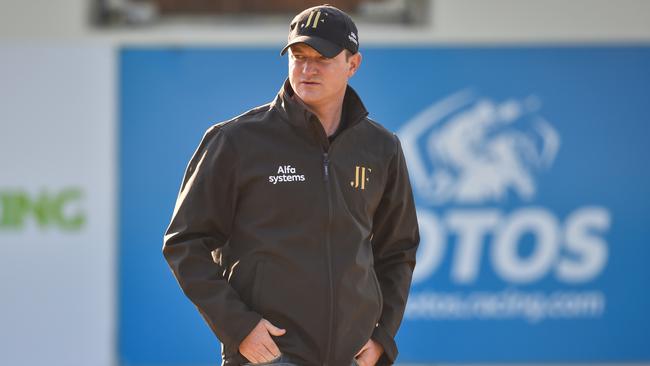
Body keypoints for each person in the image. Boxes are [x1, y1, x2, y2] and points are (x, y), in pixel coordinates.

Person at [163, 4, 419, 366]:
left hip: (353, 357)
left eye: (323, 57)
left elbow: (399, 251)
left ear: (353, 64)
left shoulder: (381, 148)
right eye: (298, 56)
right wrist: (239, 328)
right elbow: (184, 244)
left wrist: (382, 339)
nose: (308, 68)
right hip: (269, 356)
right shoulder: (235, 141)